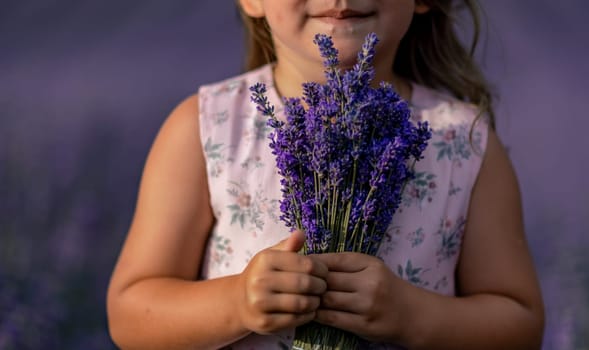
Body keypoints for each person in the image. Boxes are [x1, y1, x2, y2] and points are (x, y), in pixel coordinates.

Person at [107, 1, 545, 349]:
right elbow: (130, 316)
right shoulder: (205, 128)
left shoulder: (463, 142)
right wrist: (237, 302)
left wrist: (413, 316)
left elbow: (520, 324)